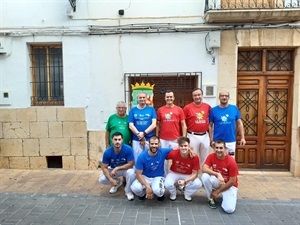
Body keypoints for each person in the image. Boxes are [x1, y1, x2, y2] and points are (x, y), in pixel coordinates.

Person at [130, 135, 172, 203]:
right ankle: (142, 194)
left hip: (158, 177)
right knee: (134, 188)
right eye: (152, 144)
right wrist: (148, 187)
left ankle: (160, 195)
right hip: (145, 176)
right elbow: (138, 175)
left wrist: (190, 150)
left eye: (156, 144)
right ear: (148, 144)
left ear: (159, 144)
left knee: (158, 191)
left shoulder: (163, 151)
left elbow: (177, 149)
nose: (154, 146)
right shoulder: (142, 156)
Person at [201, 139, 239, 213]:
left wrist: (218, 191)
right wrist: (217, 174)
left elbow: (232, 181)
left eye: (221, 148)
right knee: (205, 176)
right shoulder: (211, 156)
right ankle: (211, 199)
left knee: (229, 209)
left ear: (225, 148)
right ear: (214, 148)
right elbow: (204, 169)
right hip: (219, 181)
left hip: (229, 185)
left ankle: (226, 196)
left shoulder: (231, 161)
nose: (218, 150)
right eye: (217, 148)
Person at [156, 90, 187, 175]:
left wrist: (183, 138)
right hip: (163, 139)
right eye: (167, 97)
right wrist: (157, 138)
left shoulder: (179, 109)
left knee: (177, 158)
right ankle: (165, 176)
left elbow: (183, 124)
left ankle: (176, 175)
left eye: (171, 97)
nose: (169, 98)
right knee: (164, 159)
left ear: (173, 98)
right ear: (165, 98)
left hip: (175, 139)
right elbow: (158, 125)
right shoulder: (160, 110)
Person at [98, 132, 136, 201]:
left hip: (124, 169)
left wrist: (117, 168)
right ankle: (117, 183)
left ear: (122, 140)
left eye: (119, 139)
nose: (117, 142)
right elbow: (104, 167)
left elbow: (131, 164)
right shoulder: (107, 152)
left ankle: (128, 191)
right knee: (102, 179)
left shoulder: (128, 149)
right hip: (113, 170)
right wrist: (111, 180)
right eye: (115, 139)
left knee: (132, 173)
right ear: (112, 140)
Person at [165, 137, 202, 202]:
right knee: (167, 184)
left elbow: (195, 174)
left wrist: (185, 181)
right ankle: (173, 193)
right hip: (174, 172)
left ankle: (187, 192)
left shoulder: (194, 157)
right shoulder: (173, 153)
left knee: (198, 183)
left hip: (188, 174)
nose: (183, 148)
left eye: (185, 146)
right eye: (181, 146)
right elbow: (163, 154)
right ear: (178, 146)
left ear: (189, 146)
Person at [209, 91, 246, 156]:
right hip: (218, 142)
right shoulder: (213, 110)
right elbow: (210, 125)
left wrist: (242, 138)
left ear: (228, 98)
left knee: (231, 160)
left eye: (226, 96)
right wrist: (211, 140)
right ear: (219, 98)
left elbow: (239, 123)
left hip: (230, 141)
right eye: (222, 96)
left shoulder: (234, 108)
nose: (224, 97)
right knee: (218, 160)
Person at [183, 88, 211, 168]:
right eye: (195, 95)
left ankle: (204, 176)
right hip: (192, 135)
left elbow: (210, 122)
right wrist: (184, 138)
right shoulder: (187, 108)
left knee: (205, 158)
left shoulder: (207, 107)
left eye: (199, 95)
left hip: (205, 135)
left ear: (202, 95)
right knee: (192, 156)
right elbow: (183, 123)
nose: (197, 97)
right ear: (192, 97)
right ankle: (192, 176)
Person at [128, 91, 157, 162]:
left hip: (149, 139)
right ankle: (137, 173)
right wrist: (139, 135)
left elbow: (154, 124)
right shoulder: (132, 110)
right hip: (136, 139)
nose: (142, 99)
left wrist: (143, 133)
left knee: (149, 159)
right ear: (137, 99)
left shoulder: (151, 109)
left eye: (144, 97)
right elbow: (131, 125)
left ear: (146, 98)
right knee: (137, 159)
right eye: (140, 97)